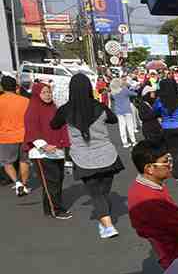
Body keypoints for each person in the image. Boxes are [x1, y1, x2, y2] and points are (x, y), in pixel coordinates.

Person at [51, 72, 124, 239]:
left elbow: (54, 125)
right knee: (103, 193)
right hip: (107, 155)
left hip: (82, 158)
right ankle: (104, 220)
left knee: (96, 194)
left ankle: (108, 225)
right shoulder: (100, 107)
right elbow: (113, 120)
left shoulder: (65, 110)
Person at [127, 138, 178, 269]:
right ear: (149, 168)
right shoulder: (150, 200)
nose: (170, 164)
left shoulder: (143, 188)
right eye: (165, 161)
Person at [23, 81, 72, 219]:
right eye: (44, 92)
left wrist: (64, 143)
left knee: (56, 180)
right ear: (37, 94)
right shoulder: (33, 108)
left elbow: (61, 126)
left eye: (49, 92)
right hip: (41, 152)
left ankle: (49, 208)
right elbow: (31, 129)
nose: (47, 95)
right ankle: (56, 210)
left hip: (57, 151)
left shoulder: (53, 108)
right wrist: (44, 145)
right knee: (52, 182)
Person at [0, 75, 31, 196]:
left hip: (5, 136)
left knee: (7, 162)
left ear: (2, 87)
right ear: (16, 87)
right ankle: (23, 184)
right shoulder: (25, 101)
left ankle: (17, 183)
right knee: (24, 161)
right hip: (24, 135)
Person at [110, 78, 137, 147]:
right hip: (127, 110)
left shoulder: (113, 93)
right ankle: (133, 141)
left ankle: (125, 142)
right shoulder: (124, 90)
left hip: (119, 111)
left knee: (122, 127)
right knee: (130, 126)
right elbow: (134, 94)